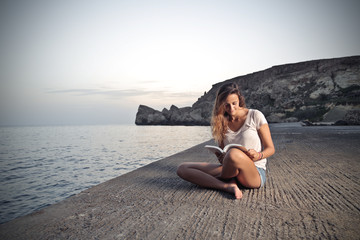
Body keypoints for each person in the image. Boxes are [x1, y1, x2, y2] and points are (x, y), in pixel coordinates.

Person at [177, 82, 275, 199]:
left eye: (234, 103)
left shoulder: (255, 115)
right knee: (182, 168)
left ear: (240, 99)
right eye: (226, 105)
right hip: (230, 169)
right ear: (221, 104)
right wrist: (221, 157)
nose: (231, 108)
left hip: (254, 172)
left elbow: (271, 148)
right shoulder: (221, 122)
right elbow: (223, 152)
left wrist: (258, 155)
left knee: (233, 153)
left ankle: (224, 180)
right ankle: (226, 186)